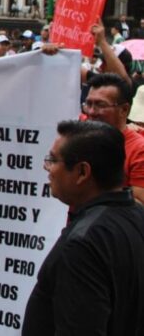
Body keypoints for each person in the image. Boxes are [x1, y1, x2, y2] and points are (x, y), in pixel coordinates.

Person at [23, 120, 144, 335]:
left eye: (53, 160)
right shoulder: (135, 216)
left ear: (82, 172)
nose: (46, 167)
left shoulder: (83, 244)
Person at [82, 73, 144, 203]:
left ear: (124, 109)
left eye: (100, 105)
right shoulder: (76, 137)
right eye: (88, 104)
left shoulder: (139, 150)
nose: (92, 112)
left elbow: (139, 204)